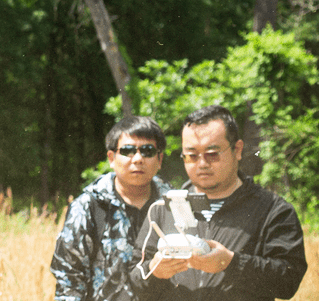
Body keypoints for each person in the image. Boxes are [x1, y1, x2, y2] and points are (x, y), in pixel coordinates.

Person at [130, 105, 307, 301]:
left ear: (237, 150)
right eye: (191, 155)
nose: (202, 163)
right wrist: (156, 272)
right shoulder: (164, 208)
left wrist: (231, 263)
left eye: (212, 154)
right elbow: (136, 277)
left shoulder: (273, 210)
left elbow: (289, 280)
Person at [50, 116, 170, 301]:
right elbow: (69, 281)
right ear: (112, 158)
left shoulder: (173, 205)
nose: (137, 159)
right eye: (128, 151)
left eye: (147, 151)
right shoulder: (89, 207)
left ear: (159, 159)